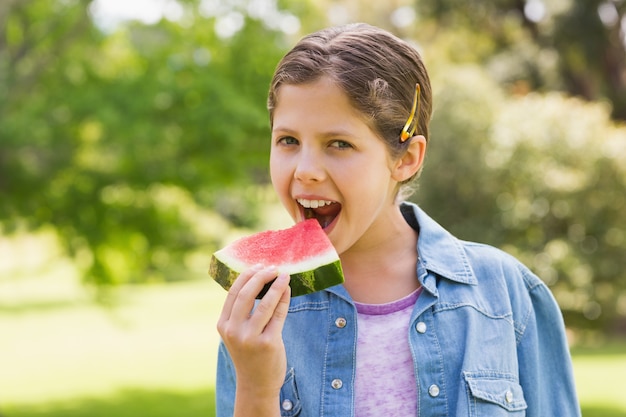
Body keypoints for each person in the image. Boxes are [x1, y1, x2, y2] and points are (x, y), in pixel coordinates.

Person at [215, 23, 581, 417]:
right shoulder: (260, 313)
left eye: (339, 144)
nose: (305, 170)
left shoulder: (506, 294)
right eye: (288, 140)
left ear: (405, 158)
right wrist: (255, 388)